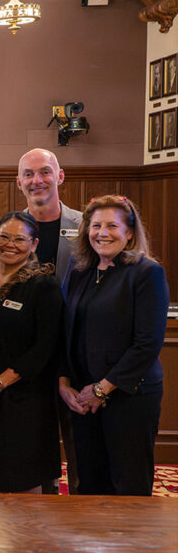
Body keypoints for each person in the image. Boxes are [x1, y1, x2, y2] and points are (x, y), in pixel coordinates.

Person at [0, 147, 82, 492]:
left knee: (77, 443)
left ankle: (78, 516)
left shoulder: (85, 226)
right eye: (28, 174)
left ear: (60, 176)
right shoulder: (4, 228)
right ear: (19, 182)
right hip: (24, 358)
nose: (37, 180)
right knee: (32, 441)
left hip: (72, 350)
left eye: (44, 172)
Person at [59, 195, 168, 496]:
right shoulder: (79, 269)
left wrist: (102, 389)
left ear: (130, 232)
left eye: (112, 226)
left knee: (128, 483)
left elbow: (147, 344)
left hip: (129, 396)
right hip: (83, 397)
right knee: (90, 483)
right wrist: (64, 381)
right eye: (95, 225)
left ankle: (132, 544)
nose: (102, 233)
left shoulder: (147, 273)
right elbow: (67, 330)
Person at [0, 212, 63, 493]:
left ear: (34, 244)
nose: (10, 244)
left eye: (19, 239)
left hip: (23, 398)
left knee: (21, 482)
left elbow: (44, 348)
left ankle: (27, 539)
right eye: (4, 236)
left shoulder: (43, 286)